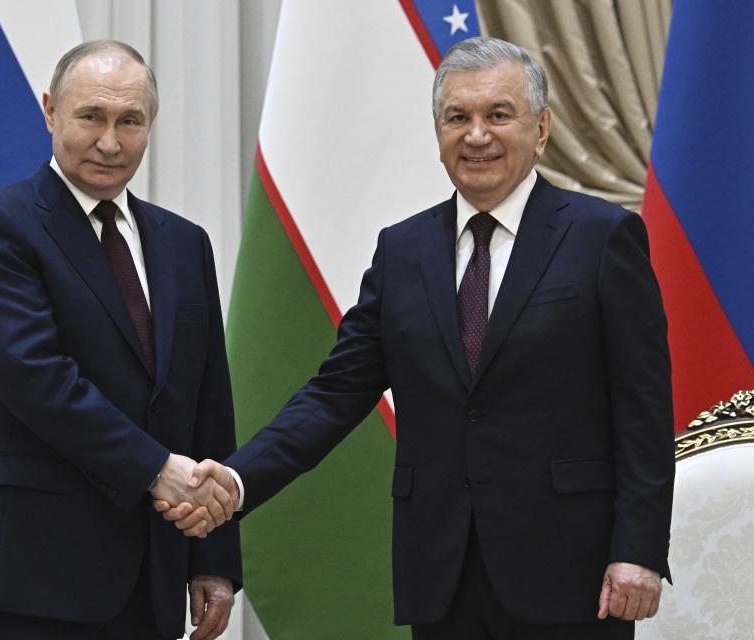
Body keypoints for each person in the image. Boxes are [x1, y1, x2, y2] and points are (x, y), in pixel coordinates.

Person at [159, 36, 674, 639]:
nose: (476, 134)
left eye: (498, 115)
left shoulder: (602, 238)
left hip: (572, 573)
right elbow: (334, 395)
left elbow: (643, 408)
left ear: (541, 129)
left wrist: (638, 548)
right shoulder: (403, 251)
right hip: (440, 574)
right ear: (438, 132)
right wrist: (239, 479)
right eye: (458, 117)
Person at [0, 40, 241, 640]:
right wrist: (156, 469)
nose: (110, 141)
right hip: (35, 577)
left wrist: (212, 559)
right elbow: (39, 380)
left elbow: (208, 400)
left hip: (151, 580)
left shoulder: (186, 244)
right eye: (91, 117)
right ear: (50, 112)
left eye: (130, 121)